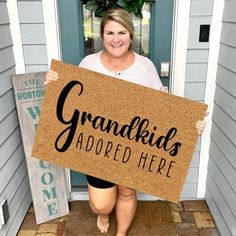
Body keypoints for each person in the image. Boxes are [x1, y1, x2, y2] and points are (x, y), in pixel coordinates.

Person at [45, 8, 206, 236]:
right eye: (110, 33)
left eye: (122, 32)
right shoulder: (89, 63)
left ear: (130, 35)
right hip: (98, 145)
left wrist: (190, 124)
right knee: (102, 204)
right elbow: (72, 98)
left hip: (132, 145)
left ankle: (121, 233)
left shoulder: (145, 66)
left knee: (127, 192)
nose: (116, 39)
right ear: (102, 35)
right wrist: (54, 83)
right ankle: (104, 213)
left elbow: (163, 106)